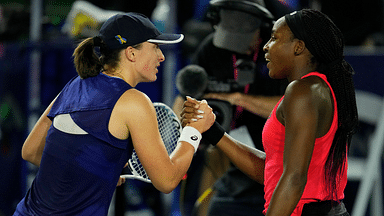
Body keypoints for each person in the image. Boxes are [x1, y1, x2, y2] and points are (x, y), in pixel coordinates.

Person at [13, 12, 215, 216]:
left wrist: (95, 172)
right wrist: (194, 129)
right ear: (131, 53)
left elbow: (31, 150)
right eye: (155, 47)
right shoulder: (135, 102)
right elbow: (167, 180)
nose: (161, 56)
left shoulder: (75, 85)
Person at [182, 8, 358, 216]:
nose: (266, 46)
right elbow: (273, 170)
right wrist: (213, 131)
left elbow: (294, 178)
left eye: (274, 38)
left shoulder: (302, 91)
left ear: (298, 47)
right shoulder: (313, 89)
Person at [172, 0, 290, 215]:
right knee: (216, 152)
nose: (235, 46)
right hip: (223, 140)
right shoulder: (211, 48)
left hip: (273, 145)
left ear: (262, 30)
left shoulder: (281, 53)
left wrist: (238, 98)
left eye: (242, 40)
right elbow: (183, 99)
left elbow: (292, 107)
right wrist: (183, 134)